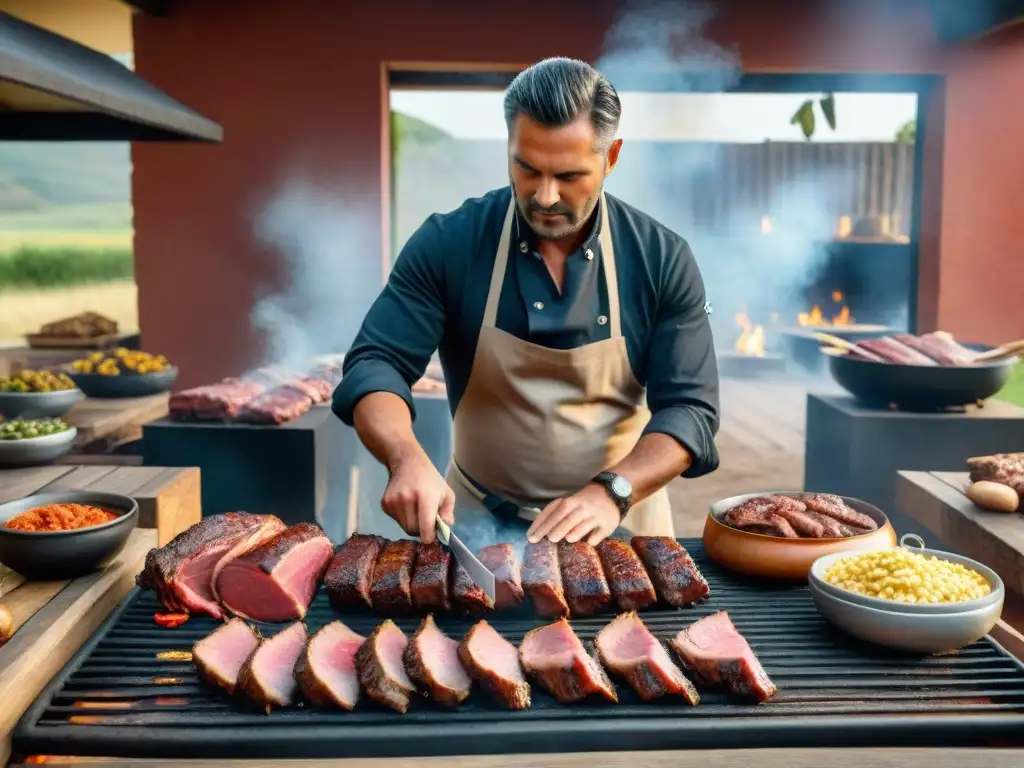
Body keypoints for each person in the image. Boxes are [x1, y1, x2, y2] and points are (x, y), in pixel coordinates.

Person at [333, 57, 720, 547]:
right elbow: (376, 362)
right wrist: (404, 455)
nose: (544, 196)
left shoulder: (661, 259)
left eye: (569, 175)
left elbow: (690, 409)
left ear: (612, 156)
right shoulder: (449, 243)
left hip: (619, 531)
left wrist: (614, 490)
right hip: (472, 528)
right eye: (527, 168)